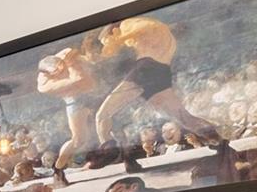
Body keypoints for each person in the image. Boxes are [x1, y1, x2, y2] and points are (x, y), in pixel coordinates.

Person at [90, 17, 226, 151]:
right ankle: (216, 138)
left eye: (106, 40)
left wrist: (116, 40)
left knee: (102, 115)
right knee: (183, 117)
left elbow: (133, 34)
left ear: (114, 31)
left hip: (145, 69)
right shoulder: (160, 36)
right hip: (161, 72)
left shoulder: (129, 25)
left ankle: (107, 153)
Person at [37, 44, 101, 169]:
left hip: (95, 94)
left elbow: (74, 53)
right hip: (76, 103)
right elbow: (77, 79)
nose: (59, 69)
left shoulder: (63, 55)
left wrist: (72, 59)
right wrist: (71, 64)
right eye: (55, 70)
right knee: (79, 140)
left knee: (107, 122)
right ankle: (59, 167)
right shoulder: (45, 84)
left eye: (58, 65)